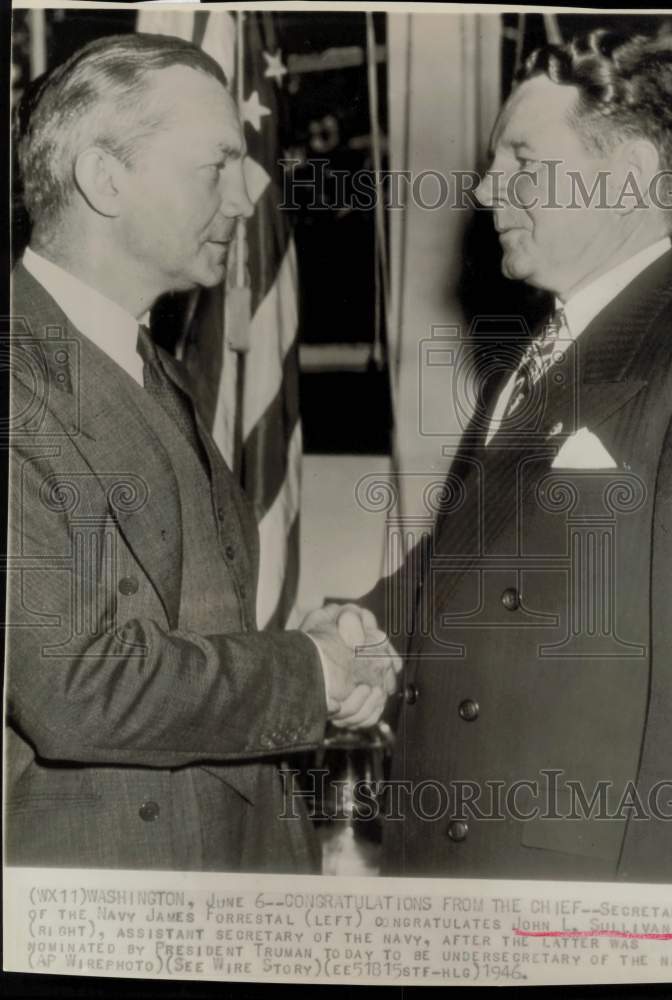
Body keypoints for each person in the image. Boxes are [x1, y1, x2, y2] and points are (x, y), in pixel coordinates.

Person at [6, 33, 398, 872]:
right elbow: (78, 689)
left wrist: (319, 653)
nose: (245, 192)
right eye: (214, 165)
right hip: (104, 888)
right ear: (105, 178)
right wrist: (308, 674)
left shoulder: (152, 362)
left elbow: (190, 623)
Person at [372, 30, 672, 882]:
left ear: (631, 173)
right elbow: (473, 565)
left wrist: (660, 922)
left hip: (572, 881)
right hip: (451, 852)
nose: (489, 189)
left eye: (522, 160)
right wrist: (355, 624)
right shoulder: (531, 360)